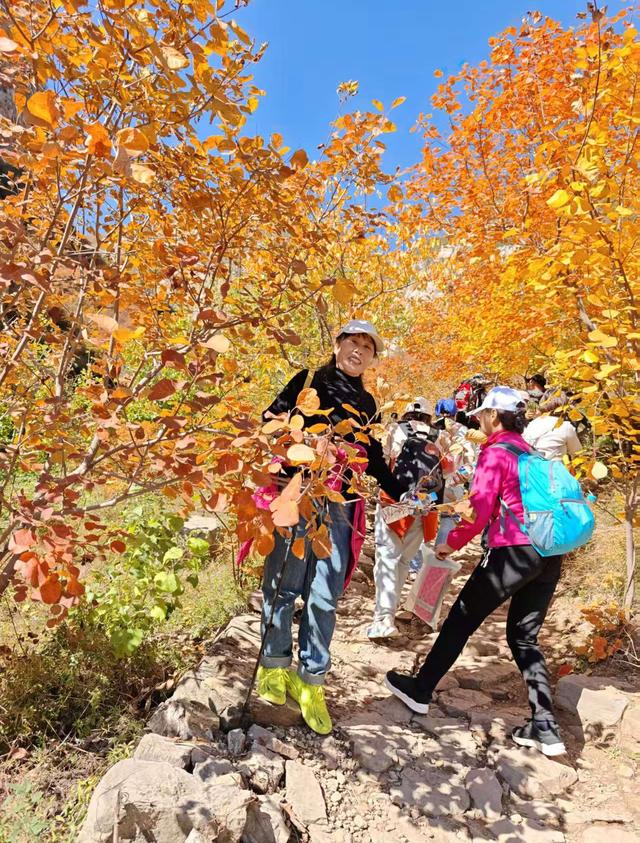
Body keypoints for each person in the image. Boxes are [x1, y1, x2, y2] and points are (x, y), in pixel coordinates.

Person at [384, 386, 566, 757]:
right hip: (549, 553)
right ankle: (546, 728)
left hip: (512, 551)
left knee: (461, 620)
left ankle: (420, 691)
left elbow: (480, 508)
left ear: (495, 417)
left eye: (483, 413)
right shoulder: (530, 452)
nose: (479, 419)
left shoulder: (497, 451)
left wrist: (453, 543)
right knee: (524, 638)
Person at [257, 320, 406, 735]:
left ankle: (312, 680)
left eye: (367, 347)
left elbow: (374, 458)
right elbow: (269, 420)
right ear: (337, 344)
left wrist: (403, 490)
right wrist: (305, 438)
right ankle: (273, 665)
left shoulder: (367, 403)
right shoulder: (307, 382)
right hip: (300, 490)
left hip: (341, 504)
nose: (358, 351)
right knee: (283, 584)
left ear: (373, 358)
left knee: (324, 595)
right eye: (352, 343)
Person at [367, 398, 444, 639]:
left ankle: (383, 618)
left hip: (395, 502)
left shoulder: (395, 429)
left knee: (387, 558)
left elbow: (383, 460)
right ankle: (389, 611)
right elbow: (450, 473)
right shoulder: (441, 436)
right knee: (403, 560)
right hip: (425, 507)